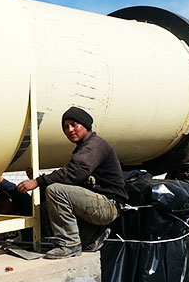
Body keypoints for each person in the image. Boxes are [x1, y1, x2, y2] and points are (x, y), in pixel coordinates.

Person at [17, 106, 127, 259]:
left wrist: (38, 181)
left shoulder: (95, 145)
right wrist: (40, 180)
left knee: (56, 191)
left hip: (108, 205)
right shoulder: (82, 148)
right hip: (98, 203)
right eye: (65, 127)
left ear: (85, 126)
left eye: (74, 124)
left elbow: (75, 172)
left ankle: (69, 244)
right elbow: (73, 181)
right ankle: (91, 238)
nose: (69, 130)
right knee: (44, 207)